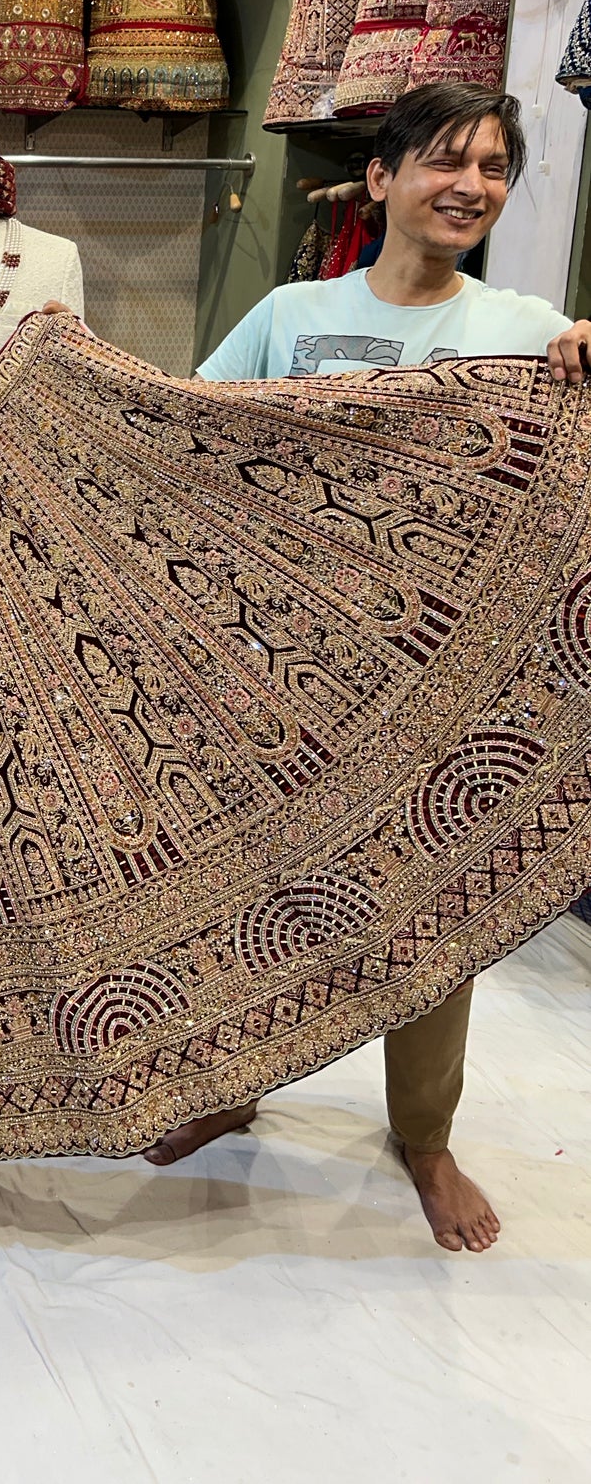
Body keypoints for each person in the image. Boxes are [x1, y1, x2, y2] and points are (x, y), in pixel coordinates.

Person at [144, 82, 591, 1253]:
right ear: (380, 177)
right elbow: (188, 437)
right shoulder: (291, 315)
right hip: (288, 676)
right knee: (249, 893)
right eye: (446, 160)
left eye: (492, 166)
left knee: (436, 908)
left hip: (448, 686)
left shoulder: (523, 327)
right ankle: (233, 1082)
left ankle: (423, 1136)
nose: (470, 185)